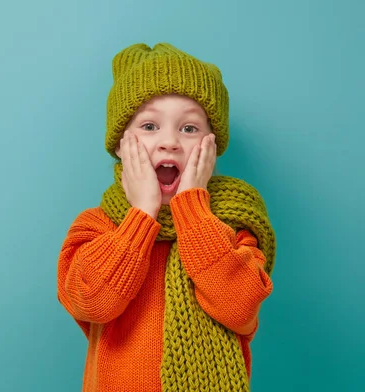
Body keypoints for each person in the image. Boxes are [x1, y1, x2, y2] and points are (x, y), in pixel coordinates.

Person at [56, 42, 276, 391]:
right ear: (119, 144)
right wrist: (142, 214)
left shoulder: (234, 225)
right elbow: (92, 303)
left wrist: (193, 209)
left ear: (212, 146)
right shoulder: (97, 227)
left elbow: (240, 309)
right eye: (149, 126)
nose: (170, 142)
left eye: (189, 129)